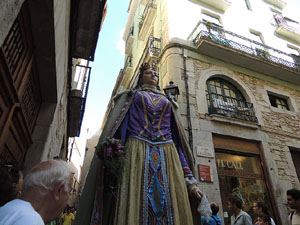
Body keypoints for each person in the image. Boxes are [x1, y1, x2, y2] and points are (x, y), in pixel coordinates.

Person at [74, 63, 203, 225]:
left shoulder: (168, 101)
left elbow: (178, 143)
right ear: (140, 78)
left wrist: (191, 183)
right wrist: (113, 155)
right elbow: (119, 127)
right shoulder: (130, 96)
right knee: (135, 198)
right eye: (149, 73)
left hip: (168, 154)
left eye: (156, 73)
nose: (154, 75)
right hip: (136, 151)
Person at [0, 160, 74, 225]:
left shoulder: (7, 208)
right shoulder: (32, 220)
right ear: (59, 190)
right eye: (69, 193)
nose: (68, 199)